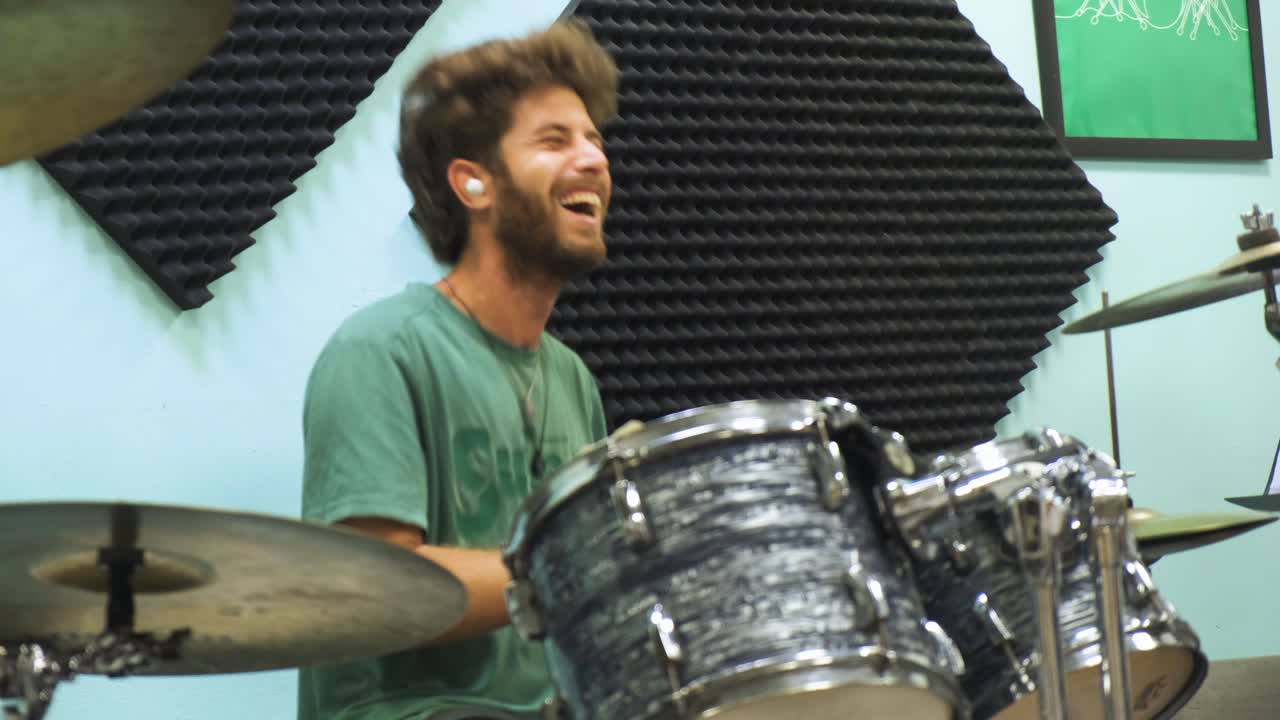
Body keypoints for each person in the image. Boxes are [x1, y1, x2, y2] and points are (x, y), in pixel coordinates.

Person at [297, 21, 618, 720]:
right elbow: (377, 589)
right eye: (555, 140)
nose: (594, 159)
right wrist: (571, 571)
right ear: (474, 183)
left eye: (593, 139)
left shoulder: (572, 380)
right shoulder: (381, 350)